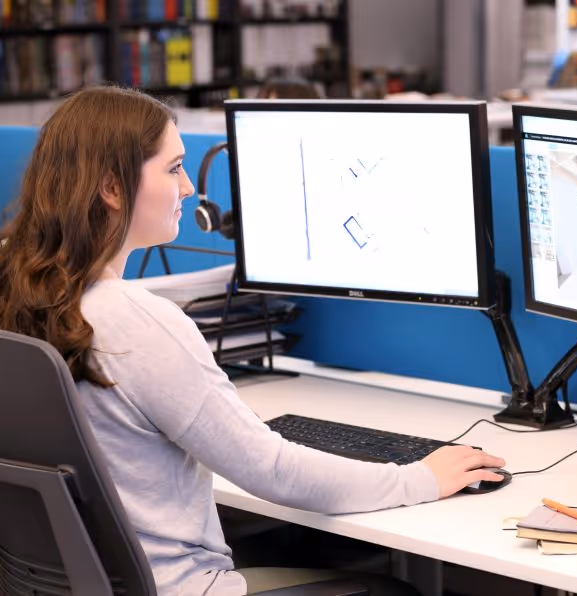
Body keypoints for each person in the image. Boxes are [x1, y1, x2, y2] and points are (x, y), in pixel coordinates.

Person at [0, 86, 506, 596]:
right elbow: (274, 472)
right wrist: (422, 477)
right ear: (112, 187)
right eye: (173, 169)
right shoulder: (135, 322)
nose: (187, 190)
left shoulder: (16, 290)